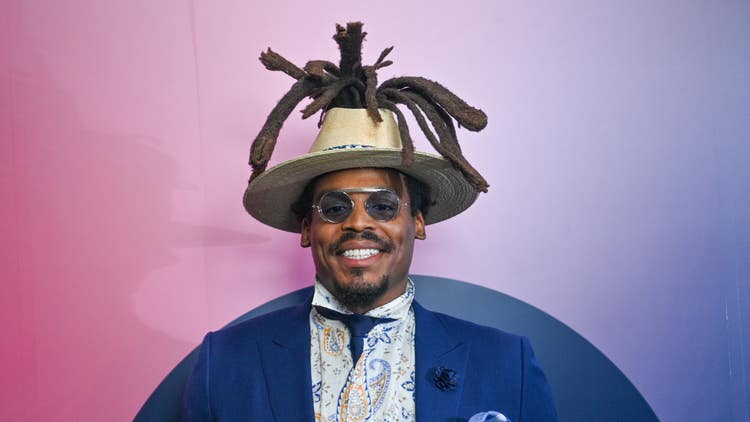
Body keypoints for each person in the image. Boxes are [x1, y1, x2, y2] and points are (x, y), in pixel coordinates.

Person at [182, 22, 556, 422]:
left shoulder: (506, 363)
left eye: (382, 206)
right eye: (335, 208)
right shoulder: (225, 363)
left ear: (417, 221)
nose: (358, 223)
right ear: (307, 228)